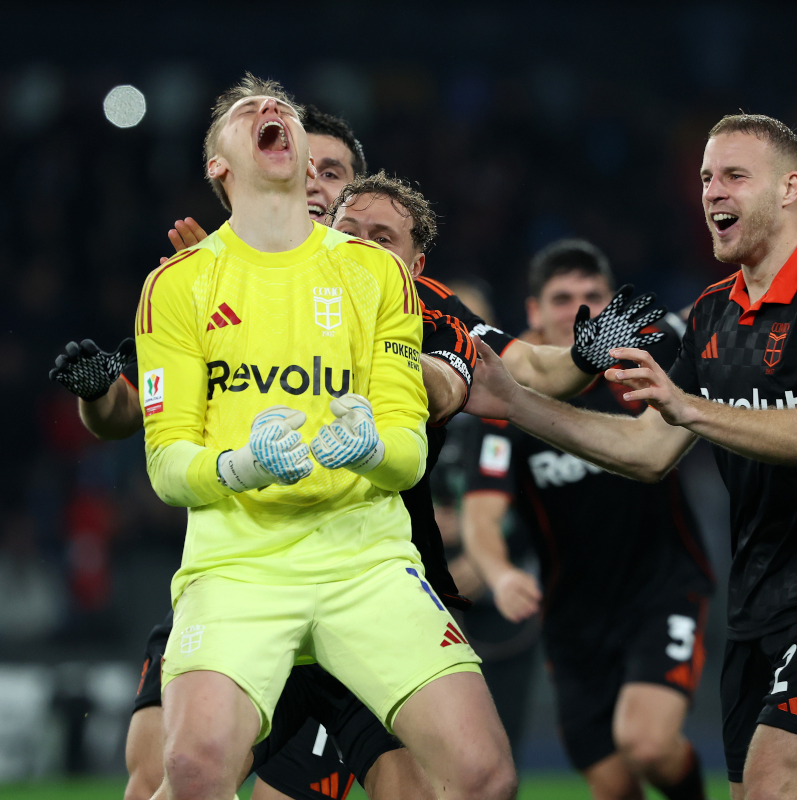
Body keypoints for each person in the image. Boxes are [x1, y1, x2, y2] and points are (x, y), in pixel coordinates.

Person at [462, 113, 797, 800]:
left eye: (734, 176)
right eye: (705, 178)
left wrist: (686, 405)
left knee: (770, 787)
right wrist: (516, 404)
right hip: (756, 605)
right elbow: (646, 451)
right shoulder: (710, 314)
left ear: (790, 187)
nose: (711, 192)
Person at [131, 73, 517, 800]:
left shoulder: (376, 275)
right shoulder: (178, 286)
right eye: (248, 112)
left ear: (309, 156)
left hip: (364, 563)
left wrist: (372, 446)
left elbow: (405, 454)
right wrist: (241, 465)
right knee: (188, 772)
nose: (270, 111)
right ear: (219, 164)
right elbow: (167, 464)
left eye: (281, 108)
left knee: (484, 776)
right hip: (240, 567)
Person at [461, 239, 712, 800]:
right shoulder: (508, 405)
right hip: (573, 619)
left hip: (661, 591)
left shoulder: (644, 377)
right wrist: (500, 574)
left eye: (593, 297)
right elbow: (482, 516)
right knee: (614, 784)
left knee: (646, 743)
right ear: (533, 313)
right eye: (562, 298)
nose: (579, 310)